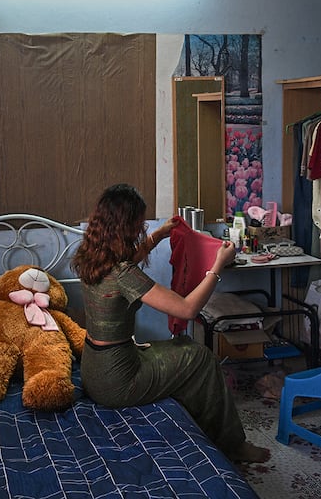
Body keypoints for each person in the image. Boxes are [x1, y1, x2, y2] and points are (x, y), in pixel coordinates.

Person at [72, 183, 270, 463]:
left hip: (94, 368)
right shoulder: (125, 274)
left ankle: (201, 424)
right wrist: (218, 266)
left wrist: (159, 234)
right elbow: (187, 309)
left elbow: (128, 259)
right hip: (118, 381)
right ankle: (234, 446)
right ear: (125, 227)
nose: (141, 231)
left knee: (182, 345)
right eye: (139, 225)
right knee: (200, 357)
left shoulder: (91, 256)